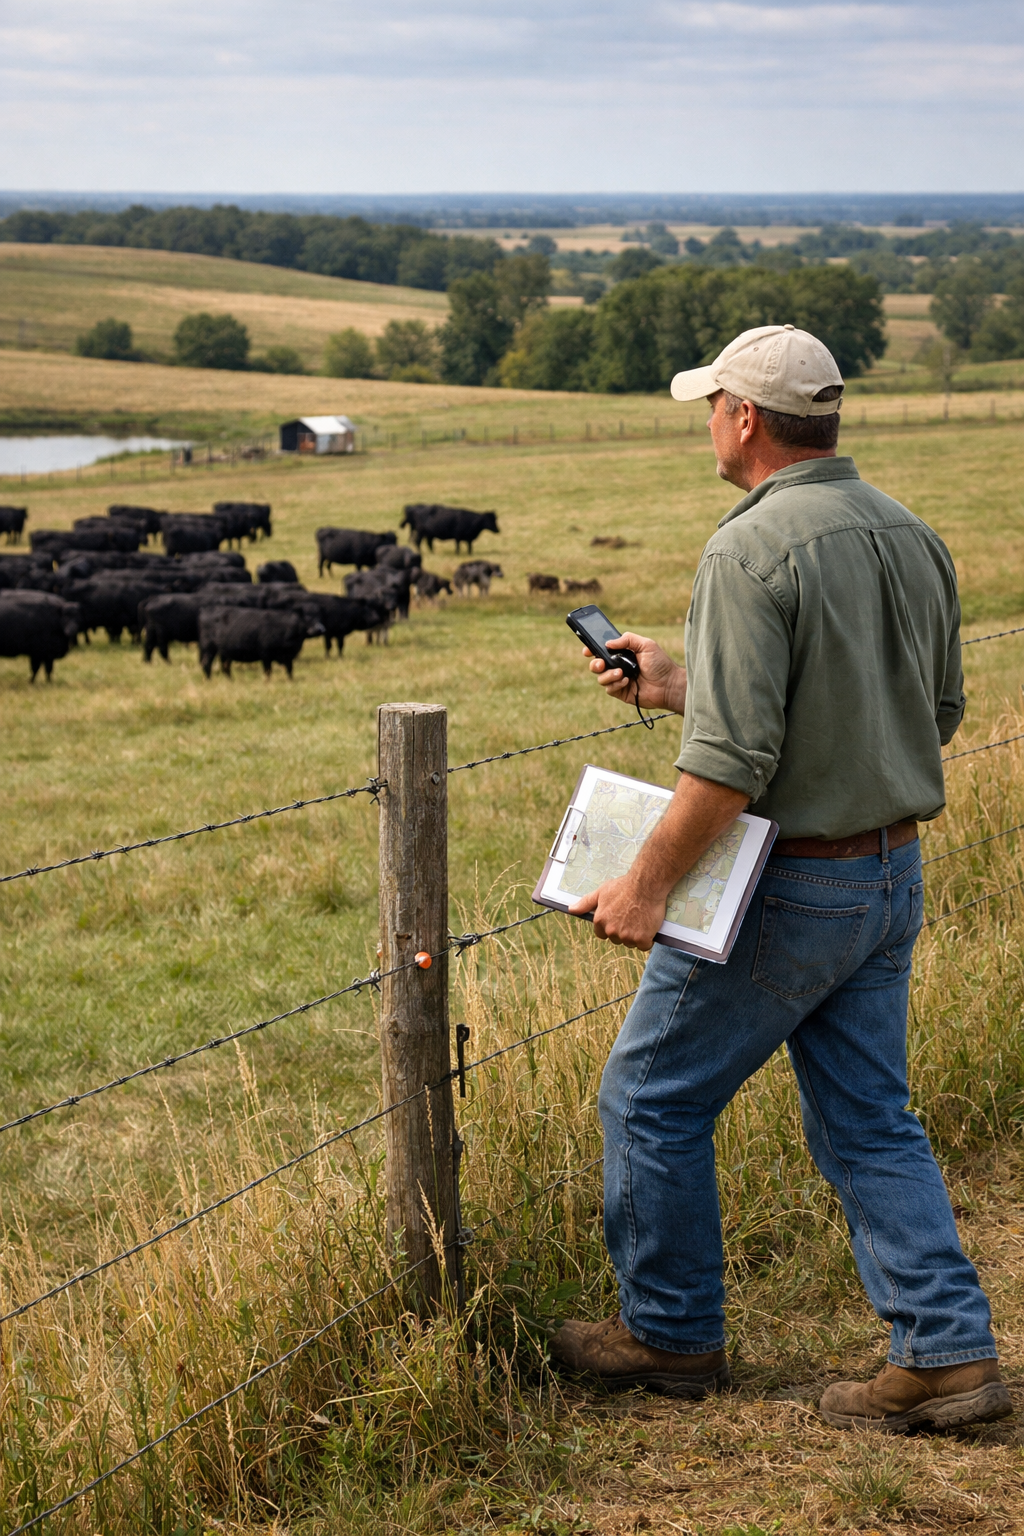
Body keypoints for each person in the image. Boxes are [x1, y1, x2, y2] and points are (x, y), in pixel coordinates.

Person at [549, 324, 1011, 1433]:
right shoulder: (908, 531)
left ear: (744, 418)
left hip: (790, 883)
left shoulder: (746, 551)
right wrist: (680, 684)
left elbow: (729, 765)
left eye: (712, 405)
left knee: (649, 1098)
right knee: (867, 1120)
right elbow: (925, 712)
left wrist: (649, 883)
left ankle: (669, 1334)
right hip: (889, 870)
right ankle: (946, 1353)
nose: (708, 422)